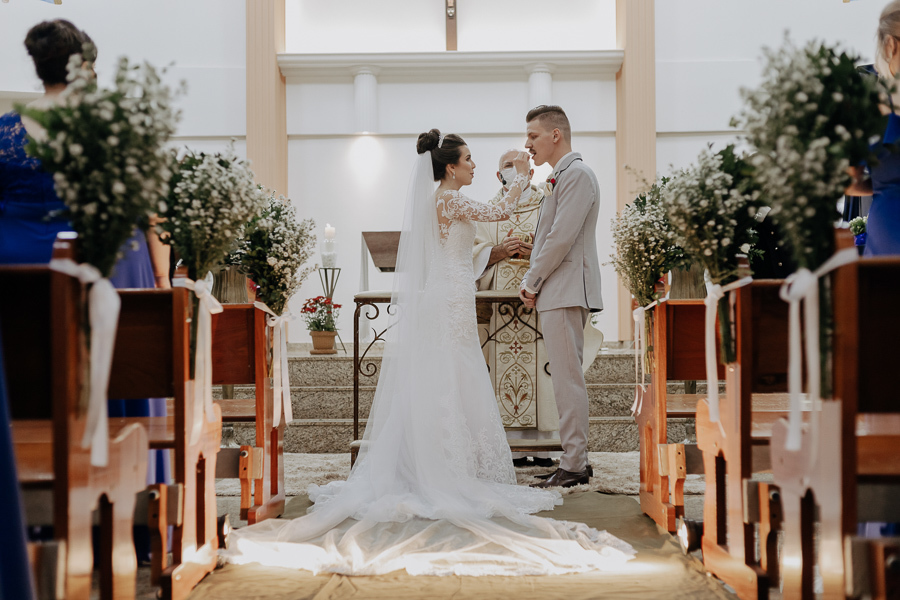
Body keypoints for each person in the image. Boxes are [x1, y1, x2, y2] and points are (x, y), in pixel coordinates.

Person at [221, 129, 634, 575]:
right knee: (449, 375)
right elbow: (499, 209)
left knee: (449, 376)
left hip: (451, 293)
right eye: (470, 159)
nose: (475, 166)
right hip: (449, 300)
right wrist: (518, 175)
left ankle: (445, 462)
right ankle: (441, 471)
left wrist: (511, 176)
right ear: (451, 167)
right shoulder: (448, 199)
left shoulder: (442, 199)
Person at [520, 105, 602, 489]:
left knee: (567, 380)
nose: (527, 144)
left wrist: (532, 280)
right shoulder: (563, 176)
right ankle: (574, 459)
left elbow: (561, 238)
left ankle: (574, 464)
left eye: (533, 135)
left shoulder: (577, 174)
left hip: (565, 288)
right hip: (559, 289)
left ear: (556, 135)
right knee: (565, 379)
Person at [473, 149, 561, 469]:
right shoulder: (489, 210)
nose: (513, 171)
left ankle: (542, 448)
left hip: (537, 309)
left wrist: (535, 252)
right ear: (499, 176)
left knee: (541, 373)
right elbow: (471, 252)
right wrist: (494, 252)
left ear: (532, 173)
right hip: (498, 313)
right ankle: (506, 449)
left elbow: (560, 245)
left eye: (518, 165)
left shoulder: (547, 204)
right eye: (506, 167)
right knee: (499, 375)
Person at [846, 1, 900, 255]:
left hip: (890, 229)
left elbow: (847, 180)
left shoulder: (871, 108)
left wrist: (883, 185)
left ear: (890, 44)